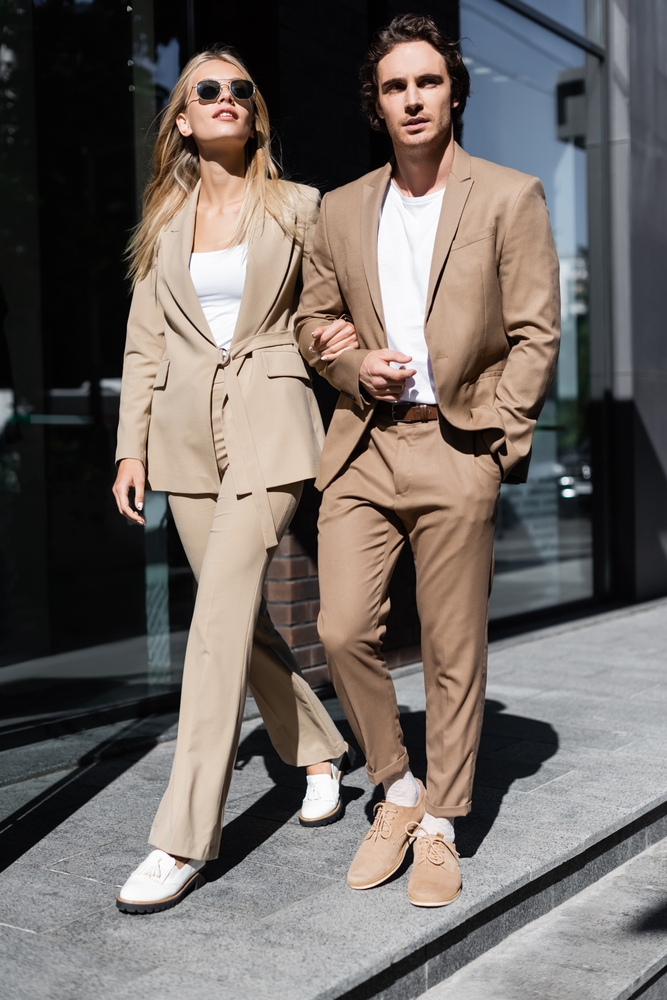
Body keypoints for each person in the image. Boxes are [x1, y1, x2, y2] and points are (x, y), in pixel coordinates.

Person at [296, 13, 560, 908]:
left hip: (457, 444)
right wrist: (347, 361)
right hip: (366, 444)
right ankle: (397, 787)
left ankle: (442, 821)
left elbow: (534, 332)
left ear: (453, 91)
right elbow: (310, 323)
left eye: (426, 82)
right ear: (376, 105)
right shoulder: (339, 207)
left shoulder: (508, 195)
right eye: (393, 87)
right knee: (339, 629)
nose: (411, 99)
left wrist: (495, 440)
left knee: (452, 648)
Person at [112, 44, 358, 914]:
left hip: (270, 424)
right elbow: (146, 346)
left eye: (238, 90)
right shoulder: (162, 225)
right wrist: (129, 447)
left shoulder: (298, 208)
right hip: (183, 443)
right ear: (181, 119)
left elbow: (330, 310)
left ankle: (180, 839)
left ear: (253, 114)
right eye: (204, 89)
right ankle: (321, 750)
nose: (223, 98)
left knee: (213, 624)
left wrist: (347, 357)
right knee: (238, 621)